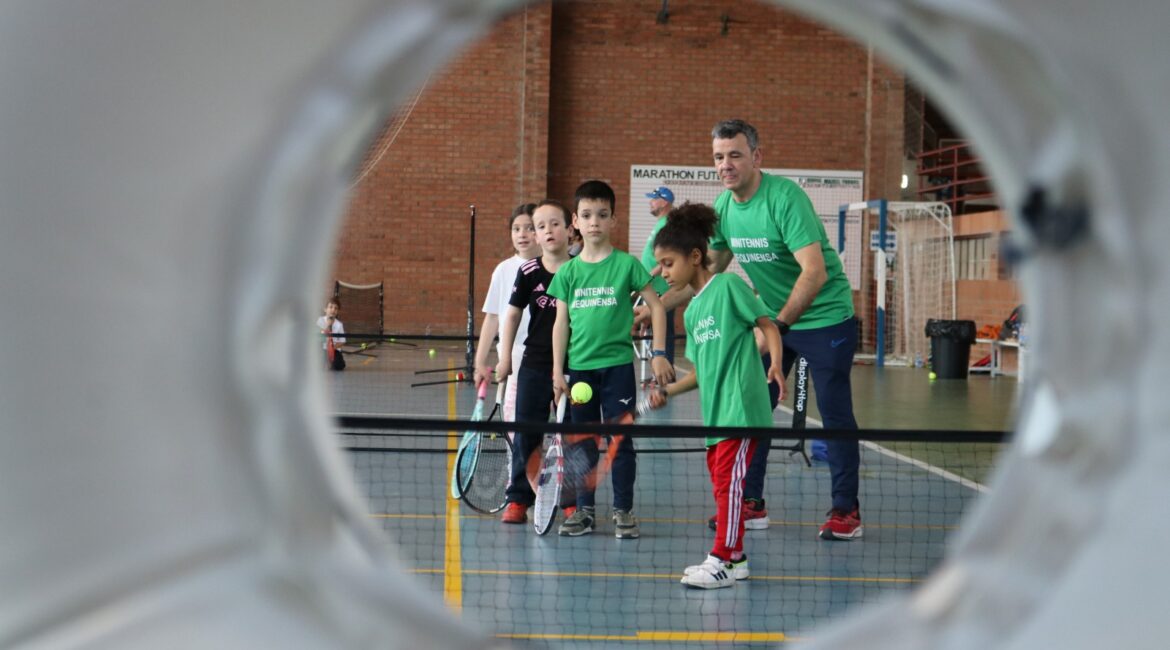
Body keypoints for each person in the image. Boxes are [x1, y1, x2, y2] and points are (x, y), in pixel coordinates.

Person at [706, 118, 863, 541]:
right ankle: (751, 502)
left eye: (735, 155)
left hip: (825, 316)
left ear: (756, 157)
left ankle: (846, 510)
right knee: (753, 406)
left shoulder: (785, 198)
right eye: (719, 157)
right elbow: (708, 272)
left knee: (834, 415)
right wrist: (654, 300)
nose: (726, 165)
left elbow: (813, 273)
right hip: (776, 318)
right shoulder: (723, 208)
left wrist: (777, 324)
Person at [647, 202, 784, 588]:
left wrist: (774, 363)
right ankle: (735, 559)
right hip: (716, 415)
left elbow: (767, 324)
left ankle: (722, 557)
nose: (662, 273)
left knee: (732, 485)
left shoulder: (728, 286)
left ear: (695, 257)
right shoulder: (691, 312)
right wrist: (669, 391)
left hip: (741, 410)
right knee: (722, 485)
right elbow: (702, 373)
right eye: (659, 265)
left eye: (668, 263)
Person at [547, 180, 674, 538]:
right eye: (586, 215)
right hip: (580, 372)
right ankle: (584, 511)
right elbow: (561, 323)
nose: (594, 222)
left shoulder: (627, 265)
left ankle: (623, 511)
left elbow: (658, 306)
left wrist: (660, 353)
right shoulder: (568, 272)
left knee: (620, 440)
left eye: (602, 215)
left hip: (618, 368)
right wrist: (558, 371)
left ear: (613, 220)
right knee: (583, 443)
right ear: (575, 221)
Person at [493, 200, 573, 524]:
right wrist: (503, 359)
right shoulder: (528, 271)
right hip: (534, 363)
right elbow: (511, 315)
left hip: (574, 364)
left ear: (570, 229)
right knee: (527, 432)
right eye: (541, 226)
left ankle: (570, 500)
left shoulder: (581, 270)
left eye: (555, 224)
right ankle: (518, 499)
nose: (548, 230)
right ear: (537, 236)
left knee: (571, 437)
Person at [472, 203, 539, 422]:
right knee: (514, 425)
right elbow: (492, 318)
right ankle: (515, 458)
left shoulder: (555, 267)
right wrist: (480, 362)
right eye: (516, 229)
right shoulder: (503, 270)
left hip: (545, 357)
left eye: (529, 228)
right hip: (512, 358)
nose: (522, 234)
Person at [636, 186, 677, 365]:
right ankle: (657, 371)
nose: (650, 202)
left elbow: (670, 254)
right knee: (654, 328)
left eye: (654, 199)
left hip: (661, 287)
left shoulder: (668, 223)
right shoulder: (661, 222)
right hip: (652, 286)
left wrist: (649, 276)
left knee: (663, 329)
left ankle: (665, 374)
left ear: (665, 202)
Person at [318, 298, 346, 371]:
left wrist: (332, 349)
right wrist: (327, 325)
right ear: (325, 309)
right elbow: (318, 337)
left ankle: (332, 361)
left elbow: (343, 341)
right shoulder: (320, 320)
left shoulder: (339, 324)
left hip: (334, 349)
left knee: (339, 366)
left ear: (337, 311)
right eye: (330, 307)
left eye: (336, 308)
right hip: (322, 349)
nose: (333, 310)